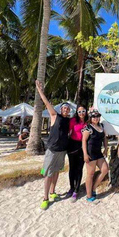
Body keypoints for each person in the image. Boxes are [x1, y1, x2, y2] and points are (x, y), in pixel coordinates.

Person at [36, 80, 71, 210]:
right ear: (61, 109)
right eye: (64, 108)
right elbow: (46, 102)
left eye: (68, 109)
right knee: (48, 173)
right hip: (52, 149)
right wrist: (40, 90)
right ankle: (45, 198)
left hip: (62, 150)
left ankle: (53, 192)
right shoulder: (55, 116)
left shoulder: (69, 120)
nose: (66, 110)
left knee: (56, 172)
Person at [82, 109, 109, 202]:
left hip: (98, 153)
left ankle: (93, 188)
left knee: (105, 170)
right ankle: (89, 195)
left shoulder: (101, 126)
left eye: (97, 116)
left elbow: (105, 138)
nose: (96, 118)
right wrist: (85, 154)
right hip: (90, 154)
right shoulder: (88, 128)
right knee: (90, 174)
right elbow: (84, 141)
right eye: (94, 116)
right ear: (90, 117)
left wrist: (106, 148)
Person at [67, 105, 88, 202]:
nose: (81, 113)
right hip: (72, 145)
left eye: (83, 111)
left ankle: (76, 189)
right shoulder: (73, 121)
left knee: (79, 168)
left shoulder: (88, 121)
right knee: (72, 168)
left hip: (83, 146)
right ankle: (71, 187)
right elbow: (67, 132)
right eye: (79, 111)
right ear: (77, 112)